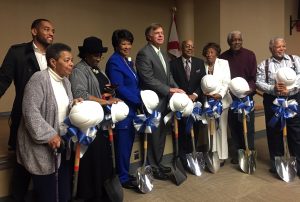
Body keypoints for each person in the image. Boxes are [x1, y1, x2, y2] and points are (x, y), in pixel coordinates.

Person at [0, 18, 54, 201]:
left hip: (51, 117)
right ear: (34, 31)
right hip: (25, 114)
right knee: (22, 161)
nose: (51, 33)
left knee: (47, 158)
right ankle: (18, 197)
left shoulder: (55, 55)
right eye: (46, 29)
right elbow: (3, 80)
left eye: (52, 30)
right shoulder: (18, 53)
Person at [16, 43, 77, 202]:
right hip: (42, 147)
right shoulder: (39, 79)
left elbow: (62, 107)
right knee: (48, 194)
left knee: (63, 193)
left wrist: (74, 104)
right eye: (67, 60)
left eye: (72, 60)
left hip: (61, 144)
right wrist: (50, 135)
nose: (71, 63)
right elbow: (30, 112)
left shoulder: (66, 82)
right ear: (53, 62)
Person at [69, 36, 119, 202]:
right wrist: (105, 101)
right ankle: (90, 194)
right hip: (88, 123)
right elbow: (80, 94)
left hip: (102, 121)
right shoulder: (79, 70)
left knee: (103, 158)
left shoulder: (98, 69)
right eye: (95, 55)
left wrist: (109, 93)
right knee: (92, 159)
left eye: (100, 54)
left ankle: (102, 191)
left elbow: (100, 90)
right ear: (85, 54)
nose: (98, 58)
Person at [135, 23, 184, 180]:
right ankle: (153, 167)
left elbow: (168, 77)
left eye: (162, 33)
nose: (161, 35)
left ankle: (159, 162)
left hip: (165, 100)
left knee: (161, 134)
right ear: (149, 36)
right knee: (154, 134)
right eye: (157, 33)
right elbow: (148, 79)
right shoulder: (144, 54)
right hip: (152, 101)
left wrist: (178, 89)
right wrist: (169, 90)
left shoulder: (162, 53)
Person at [256, 37, 300, 174]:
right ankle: (277, 163)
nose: (281, 49)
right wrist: (272, 88)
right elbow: (258, 82)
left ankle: (297, 163)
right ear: (271, 49)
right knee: (274, 132)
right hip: (273, 101)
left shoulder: (296, 60)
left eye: (283, 46)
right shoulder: (264, 64)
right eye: (278, 47)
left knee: (295, 132)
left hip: (292, 99)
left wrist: (291, 89)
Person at [105, 29, 141, 189]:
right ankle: (122, 177)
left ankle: (125, 173)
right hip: (123, 110)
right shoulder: (114, 62)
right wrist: (139, 101)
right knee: (123, 145)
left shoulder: (126, 61)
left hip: (131, 109)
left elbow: (134, 84)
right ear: (116, 45)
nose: (127, 46)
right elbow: (119, 88)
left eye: (129, 43)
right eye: (123, 43)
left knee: (127, 144)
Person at [219, 30, 257, 164]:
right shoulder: (223, 57)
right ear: (229, 41)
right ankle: (238, 153)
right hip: (231, 97)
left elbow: (254, 77)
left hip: (247, 97)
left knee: (248, 125)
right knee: (234, 126)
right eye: (234, 40)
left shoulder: (250, 55)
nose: (237, 42)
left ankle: (249, 152)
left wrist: (249, 90)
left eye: (239, 39)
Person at [170, 40, 206, 170]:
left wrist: (195, 95)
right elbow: (172, 82)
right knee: (180, 131)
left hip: (195, 103)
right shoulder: (173, 64)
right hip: (180, 102)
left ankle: (192, 155)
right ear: (181, 48)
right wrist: (183, 96)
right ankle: (181, 158)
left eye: (192, 46)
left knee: (194, 131)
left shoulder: (199, 63)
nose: (190, 48)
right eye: (187, 46)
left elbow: (203, 82)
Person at [202, 42, 232, 167]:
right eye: (207, 52)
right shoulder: (201, 64)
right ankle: (212, 154)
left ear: (216, 53)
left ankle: (222, 155)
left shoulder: (223, 63)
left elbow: (226, 82)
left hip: (222, 101)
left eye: (212, 52)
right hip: (208, 102)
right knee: (210, 129)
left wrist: (220, 94)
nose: (209, 55)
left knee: (221, 128)